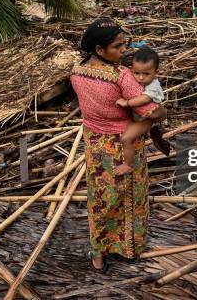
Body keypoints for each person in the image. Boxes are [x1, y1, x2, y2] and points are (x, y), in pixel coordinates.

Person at [70, 18, 167, 272]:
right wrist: (162, 111)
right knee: (130, 197)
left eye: (125, 45)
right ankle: (129, 248)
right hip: (124, 145)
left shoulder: (76, 72)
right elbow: (151, 112)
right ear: (100, 50)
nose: (124, 51)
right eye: (117, 47)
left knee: (100, 198)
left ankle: (98, 252)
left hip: (94, 144)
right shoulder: (121, 76)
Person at [115, 47, 169, 175]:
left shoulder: (153, 86)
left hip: (146, 120)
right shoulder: (134, 77)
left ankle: (128, 164)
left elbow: (144, 99)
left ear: (156, 72)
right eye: (137, 73)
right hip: (138, 117)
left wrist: (126, 103)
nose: (140, 78)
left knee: (126, 139)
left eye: (146, 74)